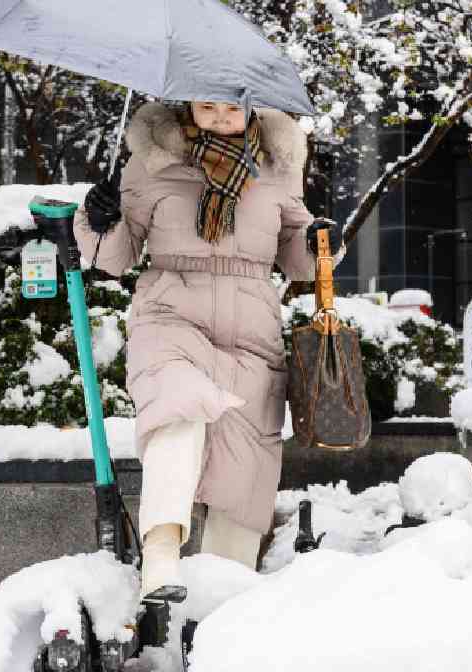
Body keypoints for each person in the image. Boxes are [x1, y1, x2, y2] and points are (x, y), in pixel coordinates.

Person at [73, 99, 342, 598]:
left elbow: (298, 257)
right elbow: (114, 257)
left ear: (253, 110)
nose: (219, 118)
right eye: (207, 107)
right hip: (170, 314)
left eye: (232, 109)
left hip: (252, 332)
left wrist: (320, 240)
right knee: (178, 410)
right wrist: (99, 220)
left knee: (246, 469)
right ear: (187, 106)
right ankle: (159, 556)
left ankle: (222, 607)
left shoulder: (278, 165)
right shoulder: (150, 161)